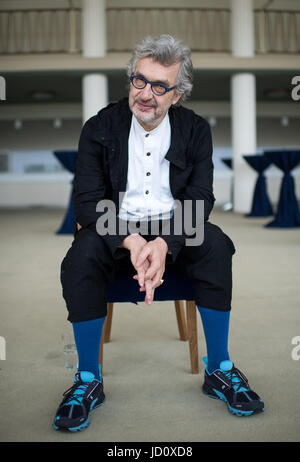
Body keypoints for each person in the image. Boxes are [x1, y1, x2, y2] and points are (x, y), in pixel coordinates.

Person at [53, 35, 264, 432]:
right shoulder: (99, 126)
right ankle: (87, 379)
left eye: (159, 86)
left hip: (175, 228)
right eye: (139, 81)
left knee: (216, 243)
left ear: (177, 94)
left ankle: (219, 369)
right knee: (79, 256)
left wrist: (165, 243)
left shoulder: (196, 130)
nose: (145, 94)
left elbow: (201, 198)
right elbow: (87, 201)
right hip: (115, 227)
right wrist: (132, 241)